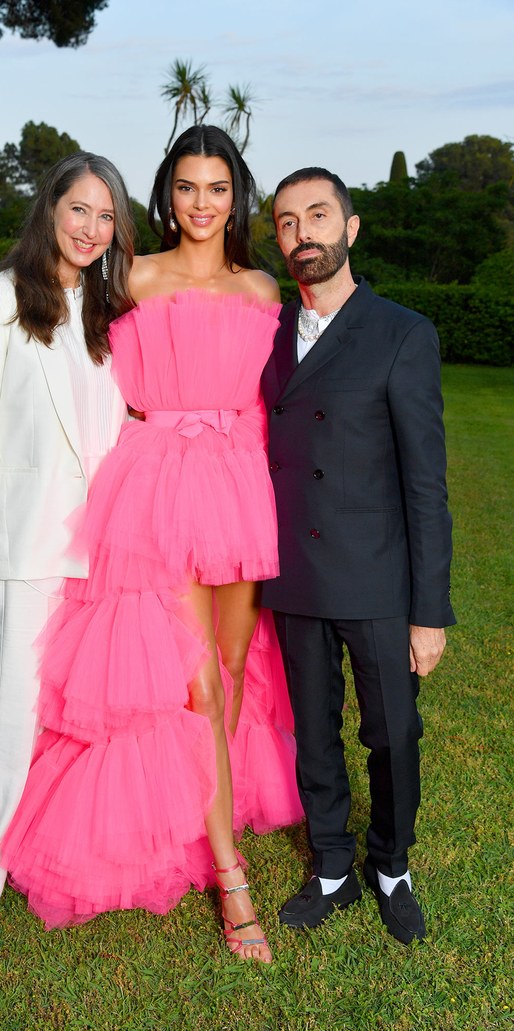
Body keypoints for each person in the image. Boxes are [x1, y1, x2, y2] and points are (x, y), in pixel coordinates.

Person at [0, 126, 303, 963]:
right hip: (156, 485)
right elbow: (57, 339)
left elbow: (277, 394)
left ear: (235, 195)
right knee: (196, 681)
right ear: (166, 195)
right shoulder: (128, 276)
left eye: (216, 188)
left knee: (236, 670)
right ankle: (232, 879)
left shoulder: (261, 286)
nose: (200, 205)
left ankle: (208, 810)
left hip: (239, 482)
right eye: (185, 188)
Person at [0, 152, 135, 933]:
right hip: (25, 550)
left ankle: (53, 851)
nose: (90, 227)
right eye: (78, 208)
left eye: (105, 215)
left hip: (102, 549)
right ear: (49, 207)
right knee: (11, 713)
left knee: (73, 715)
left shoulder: (107, 312)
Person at [262, 167, 455, 944]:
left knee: (392, 733)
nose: (302, 232)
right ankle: (334, 865)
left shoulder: (402, 333)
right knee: (314, 730)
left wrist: (427, 612)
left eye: (317, 215)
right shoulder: (269, 333)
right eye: (285, 222)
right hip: (295, 573)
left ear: (351, 227)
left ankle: (392, 862)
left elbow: (426, 486)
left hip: (377, 575)